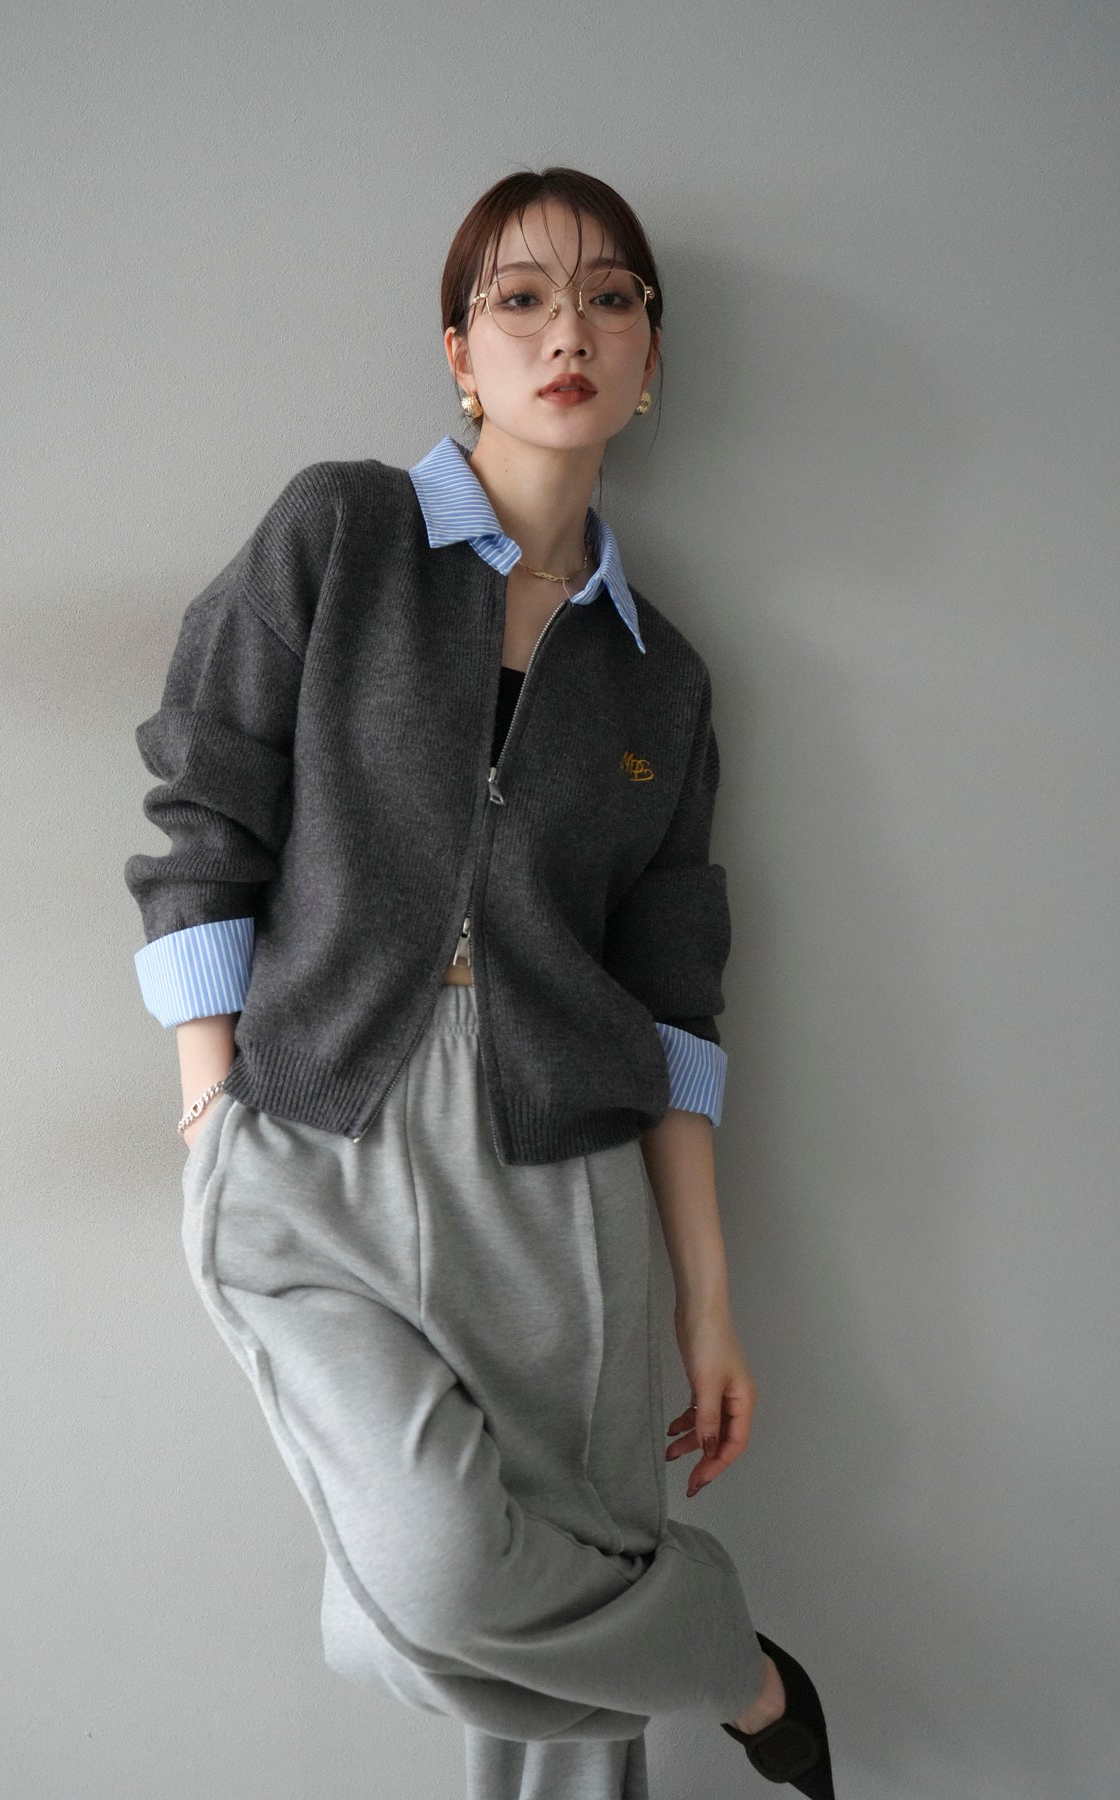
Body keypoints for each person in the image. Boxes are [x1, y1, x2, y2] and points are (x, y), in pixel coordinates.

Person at [124, 166, 835, 1800]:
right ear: (459, 352)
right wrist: (209, 1102)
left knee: (539, 1711)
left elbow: (673, 1002)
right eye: (519, 299)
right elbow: (201, 814)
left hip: (557, 1188)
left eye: (607, 299)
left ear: (648, 358)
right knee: (424, 1592)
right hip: (312, 1139)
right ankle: (733, 1666)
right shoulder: (342, 533)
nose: (564, 332)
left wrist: (705, 1297)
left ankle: (679, 1672)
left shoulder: (662, 673)